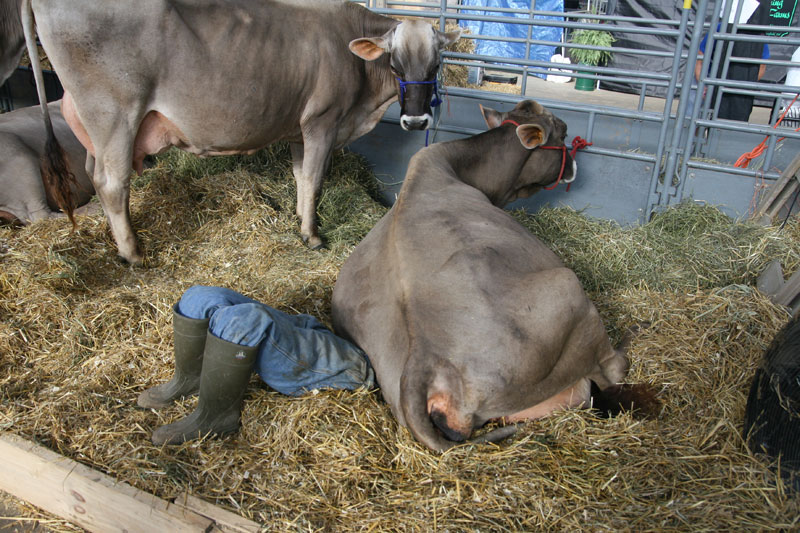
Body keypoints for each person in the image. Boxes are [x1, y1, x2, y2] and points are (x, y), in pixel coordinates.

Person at [137, 285, 376, 445]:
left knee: (242, 323)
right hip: (316, 329)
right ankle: (192, 378)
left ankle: (215, 416)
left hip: (348, 369)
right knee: (198, 297)